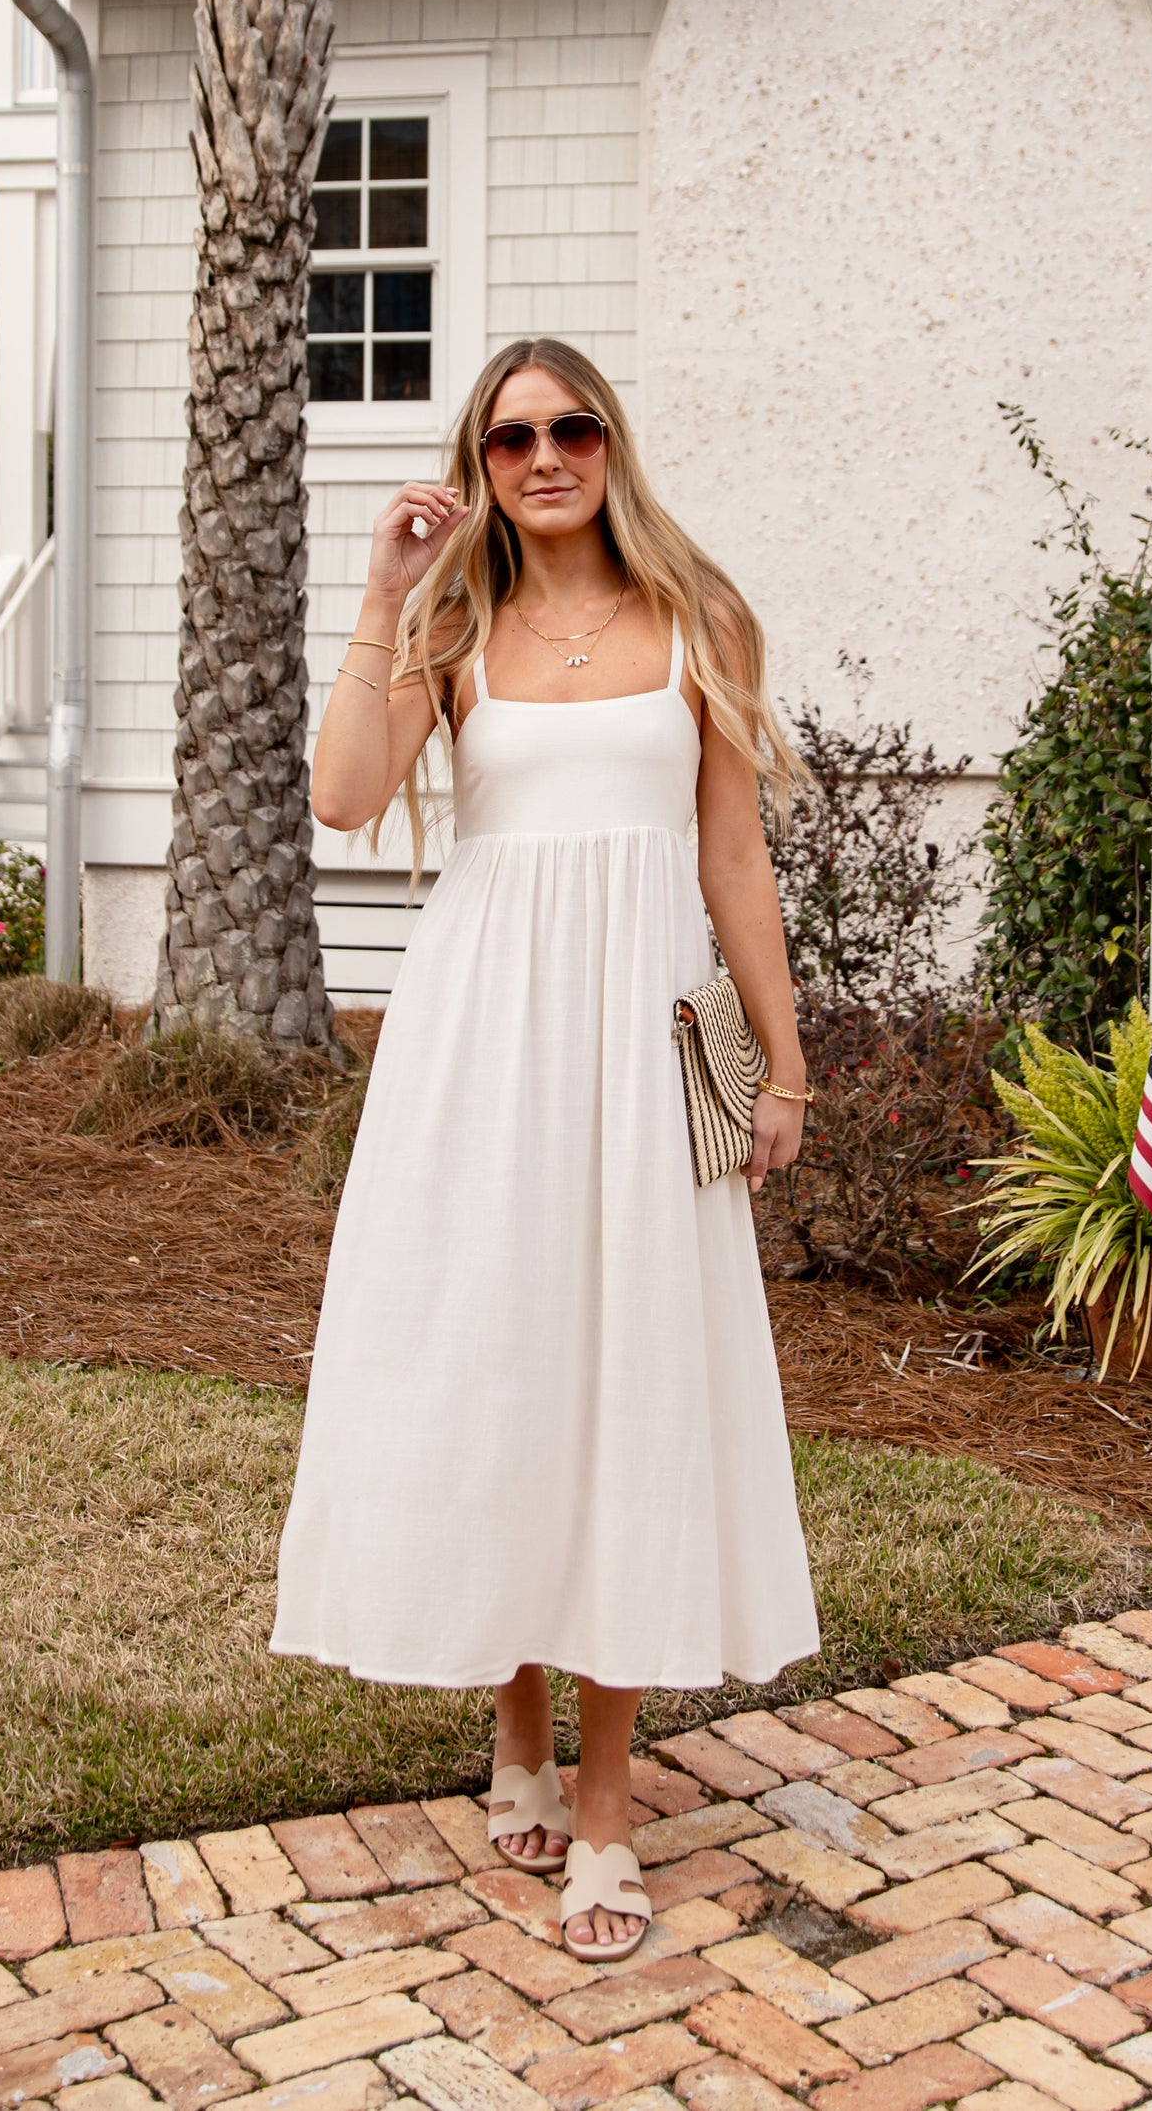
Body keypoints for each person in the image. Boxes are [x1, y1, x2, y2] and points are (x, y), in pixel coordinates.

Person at [271, 336, 820, 1960]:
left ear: (611, 440)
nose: (545, 453)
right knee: (504, 1368)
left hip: (643, 1046)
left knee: (629, 1384)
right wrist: (380, 592)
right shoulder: (451, 619)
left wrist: (784, 1066)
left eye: (572, 425)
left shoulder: (695, 616)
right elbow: (345, 797)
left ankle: (601, 1812)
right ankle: (510, 1719)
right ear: (482, 457)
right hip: (480, 1042)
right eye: (512, 435)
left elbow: (732, 853)